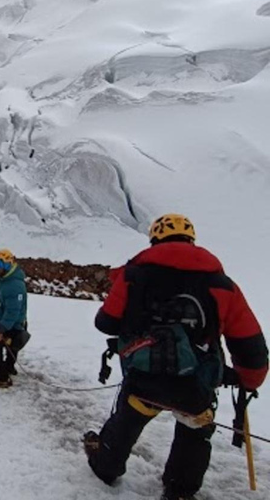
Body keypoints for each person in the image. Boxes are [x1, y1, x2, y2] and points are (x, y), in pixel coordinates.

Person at [83, 214, 268, 500]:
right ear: (191, 240)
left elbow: (105, 322)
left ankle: (106, 466)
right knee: (193, 432)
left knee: (127, 418)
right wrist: (249, 379)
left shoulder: (134, 274)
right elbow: (248, 342)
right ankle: (179, 491)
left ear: (155, 239)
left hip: (144, 376)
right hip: (195, 383)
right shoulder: (222, 284)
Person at [0, 249, 29, 390]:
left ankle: (2, 378)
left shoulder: (13, 285)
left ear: (7, 264)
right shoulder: (6, 279)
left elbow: (12, 312)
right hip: (12, 324)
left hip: (12, 326)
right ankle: (9, 368)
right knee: (11, 348)